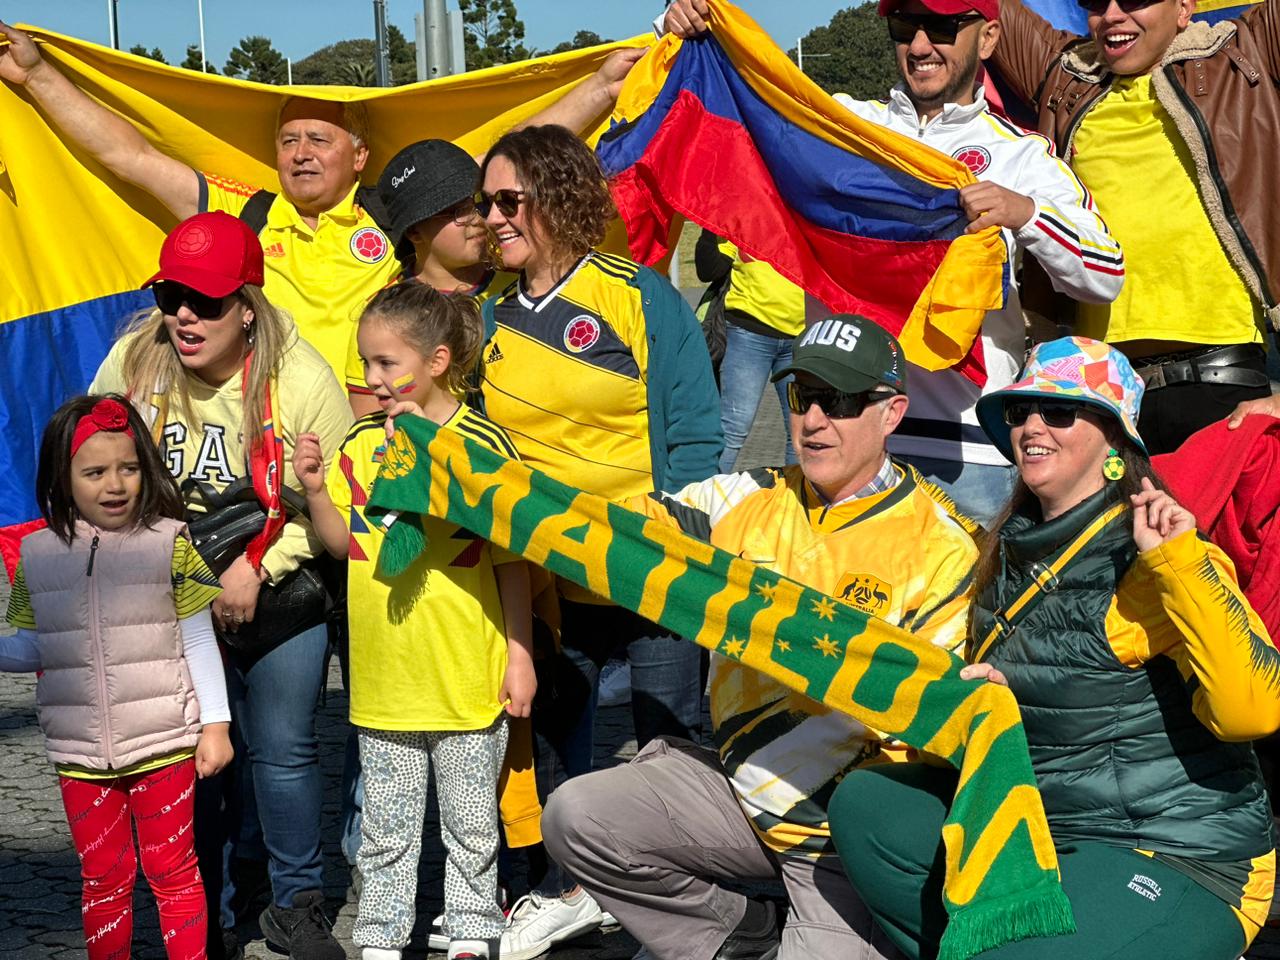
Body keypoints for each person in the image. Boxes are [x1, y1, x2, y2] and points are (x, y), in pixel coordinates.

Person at [541, 316, 980, 960]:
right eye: (802, 397)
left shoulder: (942, 545)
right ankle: (737, 933)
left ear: (892, 413)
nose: (813, 421)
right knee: (575, 816)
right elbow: (614, 530)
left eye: (839, 401)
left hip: (842, 841)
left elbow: (935, 737)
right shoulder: (744, 495)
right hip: (737, 794)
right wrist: (480, 483)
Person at [828, 336, 1280, 959]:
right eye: (1020, 412)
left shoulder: (1159, 554)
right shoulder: (1004, 552)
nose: (1033, 426)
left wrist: (1177, 562)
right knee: (869, 804)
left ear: (1114, 442)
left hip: (1177, 852)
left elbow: (1251, 711)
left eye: (1060, 412)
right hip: (1047, 827)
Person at [661, 0, 1125, 525]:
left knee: (959, 608)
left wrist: (1025, 214)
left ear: (989, 38)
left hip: (966, 455)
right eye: (906, 26)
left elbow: (1105, 274)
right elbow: (734, 97)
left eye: (944, 27)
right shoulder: (842, 126)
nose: (921, 45)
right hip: (846, 445)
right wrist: (683, 28)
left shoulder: (1021, 156)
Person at [0, 20, 643, 381]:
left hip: (380, 431)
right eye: (287, 140)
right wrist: (36, 76)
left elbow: (497, 161)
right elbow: (130, 159)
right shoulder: (245, 215)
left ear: (359, 157)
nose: (301, 152)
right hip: (277, 449)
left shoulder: (390, 211)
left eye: (318, 139)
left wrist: (603, 88)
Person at [475, 123, 723, 959]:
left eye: (511, 200)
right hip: (545, 583)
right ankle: (567, 892)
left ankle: (683, 902)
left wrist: (668, 539)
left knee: (669, 745)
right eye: (488, 204)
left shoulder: (643, 296)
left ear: (559, 198)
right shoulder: (487, 318)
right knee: (551, 743)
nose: (496, 218)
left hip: (652, 573)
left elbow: (694, 435)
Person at [90, 212, 353, 960]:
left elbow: (336, 504)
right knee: (195, 754)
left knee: (281, 748)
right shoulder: (136, 359)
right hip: (168, 584)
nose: (183, 315)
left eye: (204, 301)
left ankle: (297, 902)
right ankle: (203, 907)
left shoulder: (300, 379)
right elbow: (86, 451)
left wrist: (259, 566)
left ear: (247, 306)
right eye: (173, 294)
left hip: (278, 581)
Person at [292, 282, 533, 960]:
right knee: (387, 827)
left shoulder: (483, 444)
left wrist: (520, 654)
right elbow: (345, 547)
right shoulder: (362, 444)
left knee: (471, 822)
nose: (371, 379)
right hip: (384, 681)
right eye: (365, 364)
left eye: (386, 364)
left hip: (467, 677)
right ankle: (381, 935)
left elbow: (513, 561)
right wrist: (315, 490)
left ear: (437, 360)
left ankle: (472, 929)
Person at [988, 0, 1280, 452]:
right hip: (1093, 397)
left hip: (1226, 388)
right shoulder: (1064, 73)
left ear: (1185, 8)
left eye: (1134, 0)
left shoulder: (1248, 49)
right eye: (1093, 2)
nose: (1111, 14)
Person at [0, 394, 233, 960]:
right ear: (63, 477)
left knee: (174, 872)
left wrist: (216, 725)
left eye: (128, 468)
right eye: (95, 471)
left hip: (165, 745)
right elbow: (33, 645)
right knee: (102, 879)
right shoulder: (35, 555)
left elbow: (198, 638)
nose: (115, 484)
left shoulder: (170, 544)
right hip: (79, 755)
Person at [344, 138, 519, 417]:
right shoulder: (385, 315)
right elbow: (369, 429)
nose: (476, 218)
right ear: (414, 232)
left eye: (478, 202)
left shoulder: (521, 284)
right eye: (456, 211)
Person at [695, 230, 802, 471]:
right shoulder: (746, 213)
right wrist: (710, 225)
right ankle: (702, 501)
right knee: (733, 429)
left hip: (802, 338)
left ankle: (800, 503)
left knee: (801, 433)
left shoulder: (807, 211)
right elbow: (709, 270)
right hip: (748, 333)